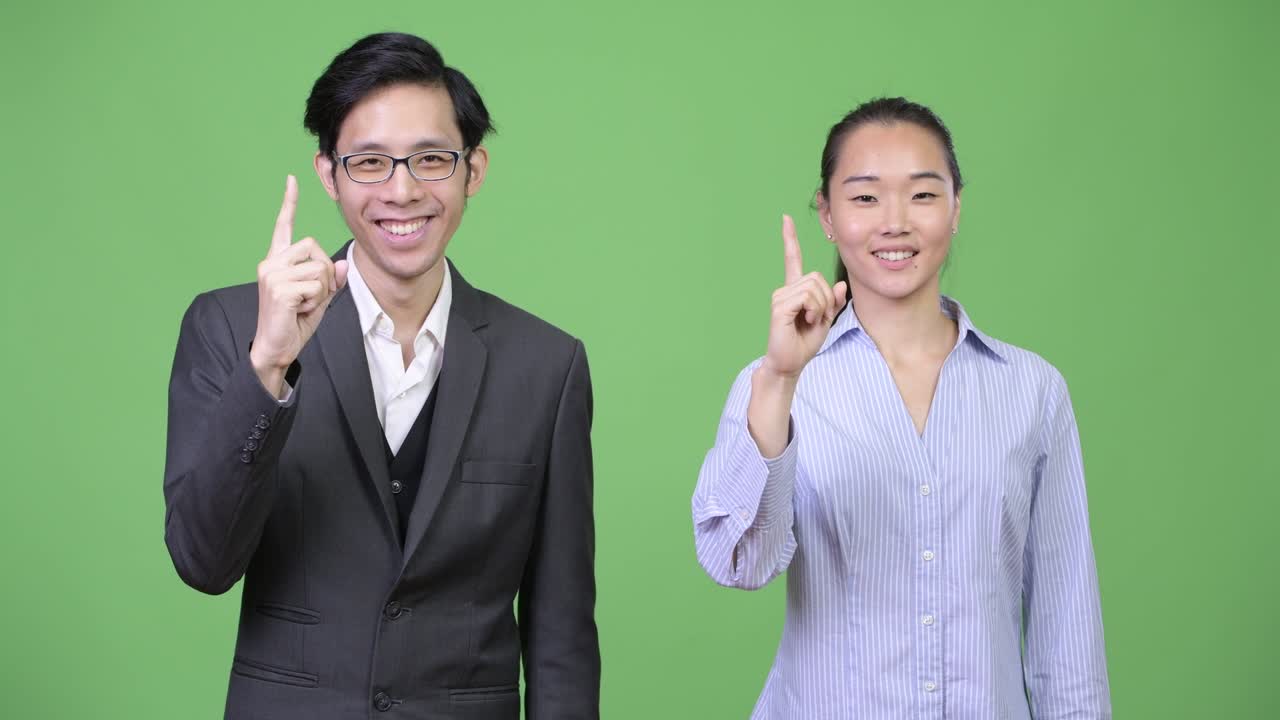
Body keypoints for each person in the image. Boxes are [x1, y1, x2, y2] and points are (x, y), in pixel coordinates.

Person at [163, 32, 598, 719]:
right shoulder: (230, 329)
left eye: (431, 159)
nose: (402, 190)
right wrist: (269, 367)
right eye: (369, 163)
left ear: (472, 170)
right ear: (328, 175)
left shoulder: (547, 365)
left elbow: (562, 630)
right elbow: (202, 563)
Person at [692, 97, 1110, 719]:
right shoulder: (775, 383)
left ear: (956, 207)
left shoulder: (1032, 390)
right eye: (864, 197)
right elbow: (738, 561)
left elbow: (1065, 625)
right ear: (827, 215)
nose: (895, 222)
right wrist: (780, 378)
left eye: (922, 195)